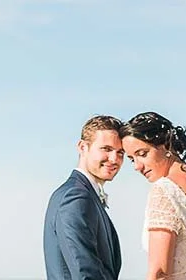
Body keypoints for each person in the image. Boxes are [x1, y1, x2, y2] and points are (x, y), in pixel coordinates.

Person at [120, 112, 186, 280]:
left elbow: (159, 272)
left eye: (142, 153)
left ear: (166, 145)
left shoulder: (164, 190)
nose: (137, 167)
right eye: (132, 159)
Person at [44, 115, 126, 280]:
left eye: (120, 152)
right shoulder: (75, 197)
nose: (114, 159)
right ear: (83, 147)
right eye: (106, 149)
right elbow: (85, 272)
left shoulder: (84, 194)